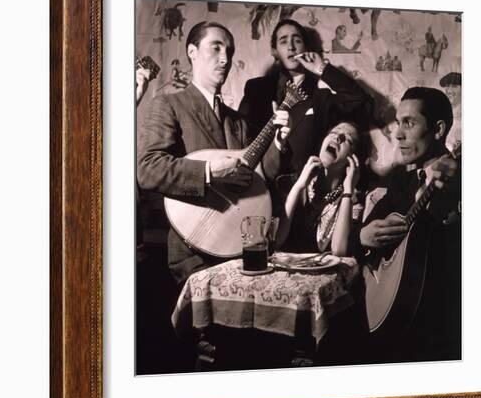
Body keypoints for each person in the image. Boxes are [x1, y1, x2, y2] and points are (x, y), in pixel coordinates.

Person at [137, 21, 291, 288]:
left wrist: (277, 144)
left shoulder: (238, 121)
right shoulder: (168, 105)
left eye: (229, 52)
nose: (225, 59)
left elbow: (258, 175)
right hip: (194, 253)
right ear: (192, 52)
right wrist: (209, 172)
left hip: (237, 246)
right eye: (216, 48)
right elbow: (148, 169)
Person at [359, 86, 461, 362]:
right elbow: (365, 231)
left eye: (409, 123)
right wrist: (365, 238)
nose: (398, 133)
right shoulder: (400, 181)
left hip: (442, 327)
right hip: (394, 314)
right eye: (397, 122)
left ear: (438, 130)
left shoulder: (465, 180)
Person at [238, 19, 371, 178]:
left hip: (302, 185)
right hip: (258, 181)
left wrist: (321, 68)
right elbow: (241, 137)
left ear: (306, 48)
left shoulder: (320, 95)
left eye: (297, 40)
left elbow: (358, 99)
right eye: (283, 41)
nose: (291, 46)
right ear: (275, 51)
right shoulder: (256, 88)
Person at [276, 122, 364, 256]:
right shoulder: (291, 182)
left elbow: (339, 251)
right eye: (333, 133)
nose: (337, 137)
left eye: (347, 139)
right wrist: (299, 185)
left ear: (353, 159)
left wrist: (347, 191)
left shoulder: (353, 200)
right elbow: (276, 240)